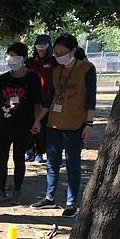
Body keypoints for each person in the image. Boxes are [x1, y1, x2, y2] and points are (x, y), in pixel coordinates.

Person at [30, 34, 97, 218]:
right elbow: (49, 99)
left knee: (72, 164)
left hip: (75, 124)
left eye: (62, 53)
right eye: (56, 53)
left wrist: (89, 124)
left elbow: (91, 99)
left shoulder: (87, 69)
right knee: (52, 162)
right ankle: (49, 198)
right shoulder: (56, 70)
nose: (58, 56)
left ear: (74, 50)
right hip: (54, 123)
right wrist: (38, 120)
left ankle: (71, 202)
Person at [0, 42, 42, 205]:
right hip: (4, 126)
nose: (11, 59)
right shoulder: (4, 78)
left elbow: (37, 104)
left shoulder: (32, 78)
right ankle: (0, 190)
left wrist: (37, 122)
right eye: (9, 55)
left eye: (15, 56)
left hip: (22, 126)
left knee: (19, 159)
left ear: (24, 58)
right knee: (1, 159)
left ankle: (17, 192)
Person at [25, 34, 58, 163]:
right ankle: (29, 151)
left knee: (43, 128)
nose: (41, 49)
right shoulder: (30, 62)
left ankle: (40, 152)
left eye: (43, 47)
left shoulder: (54, 62)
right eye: (39, 47)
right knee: (30, 125)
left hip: (47, 101)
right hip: (31, 100)